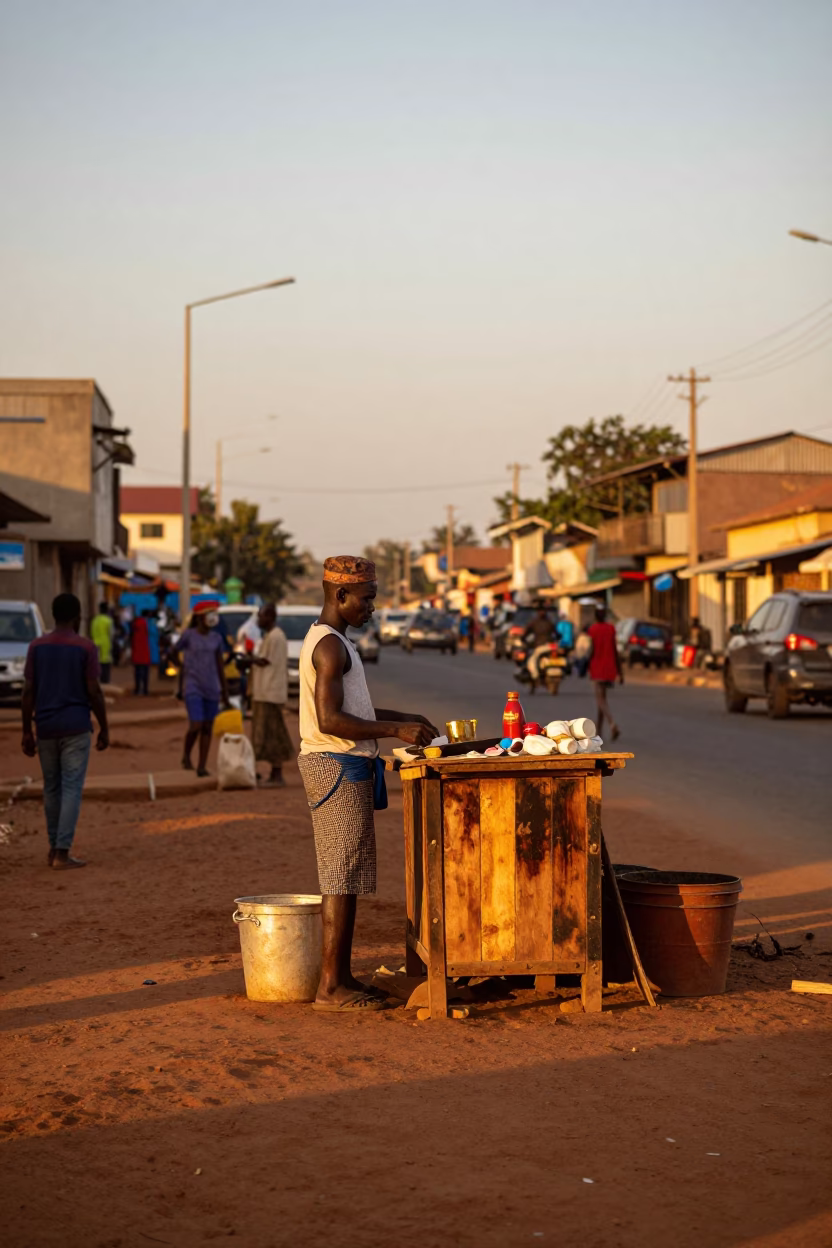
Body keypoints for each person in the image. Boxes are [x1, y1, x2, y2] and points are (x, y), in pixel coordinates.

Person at [297, 555, 438, 1013]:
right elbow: (331, 719)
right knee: (339, 875)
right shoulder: (329, 646)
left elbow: (353, 709)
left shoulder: (336, 641)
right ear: (340, 595)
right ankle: (330, 988)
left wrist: (406, 718)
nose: (372, 608)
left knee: (349, 873)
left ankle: (342, 977)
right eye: (367, 599)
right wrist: (396, 732)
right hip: (334, 765)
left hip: (345, 764)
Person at [20, 592, 109, 870]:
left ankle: (52, 848)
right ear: (77, 617)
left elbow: (28, 691)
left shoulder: (37, 646)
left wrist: (26, 730)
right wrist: (104, 726)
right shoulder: (85, 648)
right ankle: (61, 851)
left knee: (52, 788)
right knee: (71, 788)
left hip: (45, 727)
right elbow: (94, 691)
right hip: (76, 727)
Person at [174, 600, 230, 777]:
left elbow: (220, 665)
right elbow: (173, 652)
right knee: (196, 725)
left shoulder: (216, 638)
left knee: (207, 727)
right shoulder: (188, 635)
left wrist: (225, 691)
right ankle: (186, 755)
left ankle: (201, 766)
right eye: (209, 614)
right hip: (193, 686)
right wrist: (182, 668)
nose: (213, 617)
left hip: (212, 687)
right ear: (200, 618)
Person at [251, 602, 292, 787]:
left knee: (273, 733)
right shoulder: (271, 636)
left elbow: (263, 661)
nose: (259, 619)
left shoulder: (275, 637)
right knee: (264, 733)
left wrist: (247, 660)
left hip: (270, 693)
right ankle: (261, 771)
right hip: (264, 692)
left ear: (270, 617)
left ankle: (277, 773)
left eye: (262, 616)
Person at [588, 604, 623, 740]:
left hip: (597, 667)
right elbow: (615, 650)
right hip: (610, 668)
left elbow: (591, 649)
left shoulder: (593, 629)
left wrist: (585, 665)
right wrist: (620, 672)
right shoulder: (611, 629)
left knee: (600, 699)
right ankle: (599, 732)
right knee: (602, 699)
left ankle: (612, 723)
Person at [522, 605, 556, 691]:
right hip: (548, 646)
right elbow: (557, 634)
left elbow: (525, 634)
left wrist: (523, 639)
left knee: (532, 661)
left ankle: (536, 676)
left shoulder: (536, 622)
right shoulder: (548, 622)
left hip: (541, 646)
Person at [90, 602, 113, 684]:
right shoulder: (108, 620)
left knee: (97, 664)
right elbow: (111, 634)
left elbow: (91, 633)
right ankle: (105, 682)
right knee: (106, 665)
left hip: (95, 644)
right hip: (106, 644)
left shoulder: (95, 620)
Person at [130, 612, 151, 695]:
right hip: (145, 652)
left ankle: (137, 689)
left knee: (137, 672)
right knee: (145, 673)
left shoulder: (135, 626)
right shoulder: (146, 624)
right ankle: (145, 690)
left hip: (137, 653)